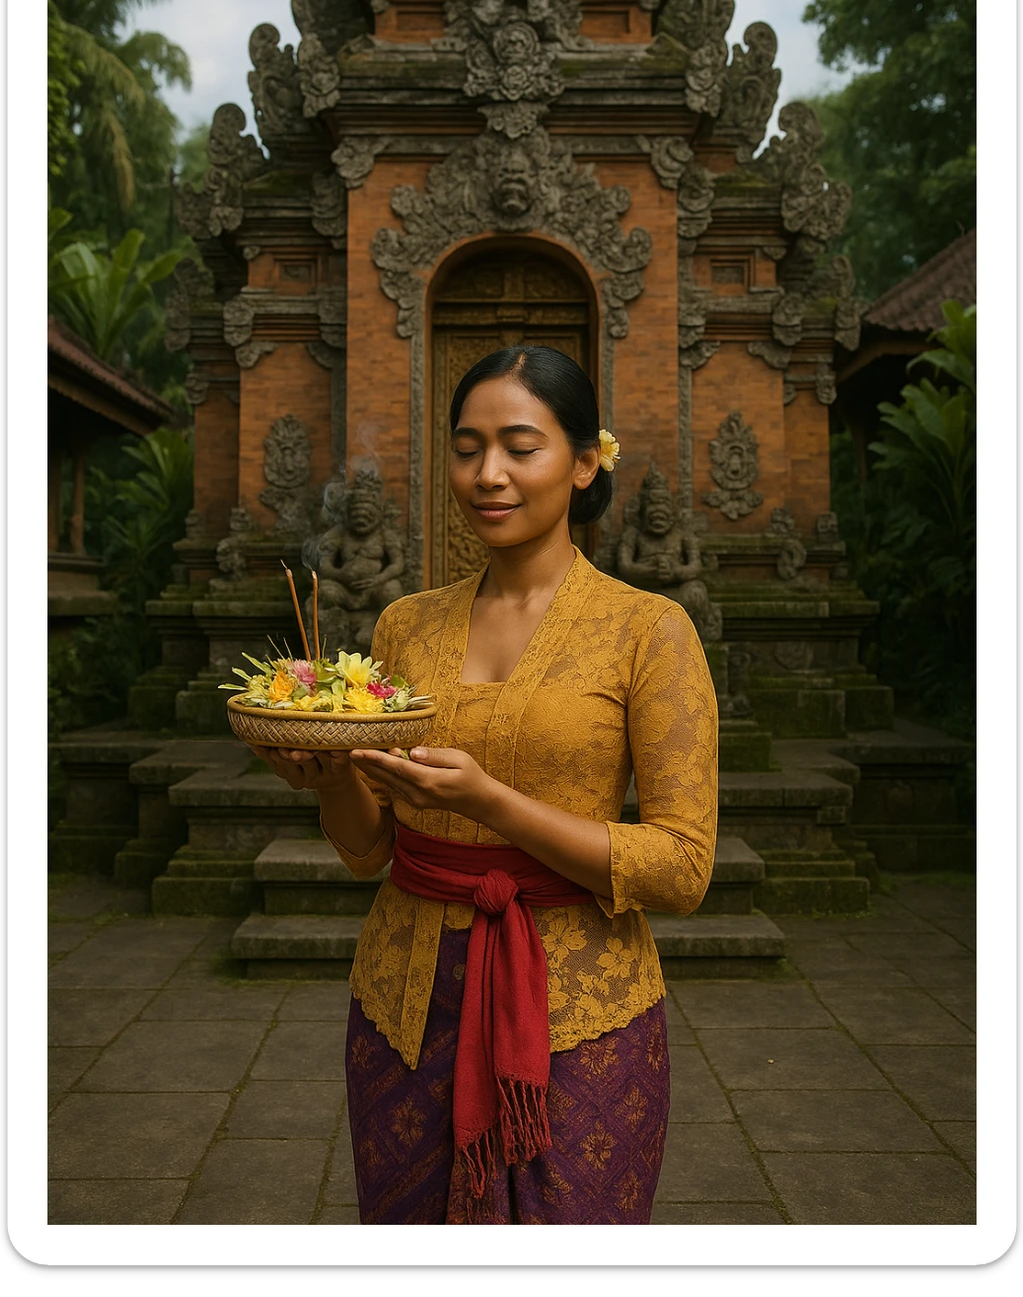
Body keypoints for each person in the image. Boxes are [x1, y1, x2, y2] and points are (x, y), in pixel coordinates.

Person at [253, 345, 718, 1224]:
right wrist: (325, 779)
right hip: (405, 1000)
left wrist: (491, 802)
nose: (488, 474)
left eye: (519, 446)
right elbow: (369, 851)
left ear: (585, 463)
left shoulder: (648, 632)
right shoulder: (407, 624)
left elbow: (682, 868)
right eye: (467, 448)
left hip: (584, 1014)